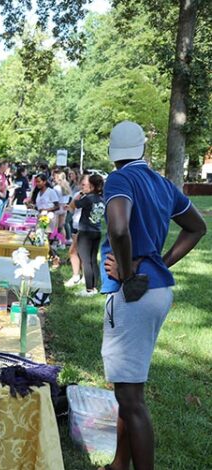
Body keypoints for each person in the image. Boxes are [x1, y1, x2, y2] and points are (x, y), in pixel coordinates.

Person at [97, 121, 206, 470]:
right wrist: (161, 261)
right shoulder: (162, 183)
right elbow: (197, 227)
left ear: (114, 155)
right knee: (130, 391)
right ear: (143, 149)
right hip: (157, 291)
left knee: (131, 398)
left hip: (134, 295)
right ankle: (119, 463)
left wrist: (128, 272)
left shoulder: (119, 179)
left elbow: (118, 227)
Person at [70, 174, 104, 296]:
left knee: (85, 260)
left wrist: (79, 195)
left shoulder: (88, 198)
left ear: (92, 185)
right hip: (97, 231)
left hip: (85, 232)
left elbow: (74, 205)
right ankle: (95, 286)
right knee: (93, 260)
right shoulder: (102, 198)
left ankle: (89, 289)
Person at [64, 176, 85, 288]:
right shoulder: (79, 194)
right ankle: (78, 275)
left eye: (85, 185)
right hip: (76, 224)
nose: (83, 187)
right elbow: (72, 207)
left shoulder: (91, 197)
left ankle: (79, 276)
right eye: (82, 184)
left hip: (85, 227)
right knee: (75, 251)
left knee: (76, 251)